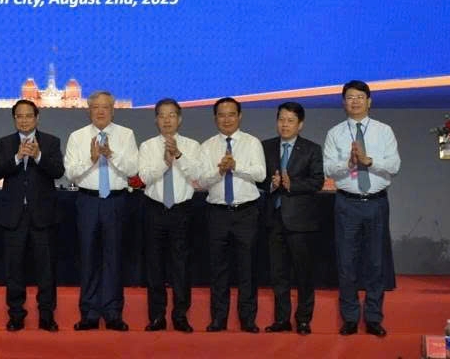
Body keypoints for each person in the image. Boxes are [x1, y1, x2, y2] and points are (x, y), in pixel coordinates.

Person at [323, 80, 400, 337]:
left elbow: (394, 166)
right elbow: (328, 169)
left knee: (376, 263)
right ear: (343, 103)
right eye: (349, 97)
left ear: (369, 101)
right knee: (346, 263)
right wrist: (348, 164)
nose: (354, 101)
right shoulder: (335, 133)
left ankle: (374, 318)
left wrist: (369, 161)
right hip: (347, 203)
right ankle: (350, 318)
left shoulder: (383, 131)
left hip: (376, 202)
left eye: (359, 97)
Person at [63, 90, 139, 331]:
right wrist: (92, 158)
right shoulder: (77, 136)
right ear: (89, 110)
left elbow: (133, 169)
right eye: (95, 107)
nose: (100, 111)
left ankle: (113, 313)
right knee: (88, 258)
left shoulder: (126, 134)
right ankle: (89, 314)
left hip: (115, 202)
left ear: (113, 110)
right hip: (88, 201)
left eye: (105, 107)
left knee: (113, 258)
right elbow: (70, 172)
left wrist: (110, 155)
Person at [0, 99, 64, 332]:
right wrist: (16, 157)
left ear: (37, 118)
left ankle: (46, 316)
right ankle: (16, 315)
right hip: (13, 216)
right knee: (14, 270)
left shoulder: (50, 142)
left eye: (28, 116)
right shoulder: (5, 143)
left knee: (46, 269)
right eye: (19, 116)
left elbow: (58, 171)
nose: (24, 120)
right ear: (14, 119)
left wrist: (39, 156)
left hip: (42, 216)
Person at [137, 97, 206, 333]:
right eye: (162, 116)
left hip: (182, 210)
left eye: (172, 115)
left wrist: (178, 156)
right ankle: (157, 316)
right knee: (154, 265)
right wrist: (165, 163)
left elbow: (197, 175)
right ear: (156, 120)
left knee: (181, 266)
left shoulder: (192, 145)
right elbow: (144, 177)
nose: (167, 120)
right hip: (154, 209)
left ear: (180, 119)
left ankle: (180, 316)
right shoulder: (147, 146)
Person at [198, 96, 266, 333]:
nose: (226, 120)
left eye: (231, 115)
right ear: (215, 118)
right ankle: (218, 318)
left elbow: (260, 174)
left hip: (246, 212)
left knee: (247, 268)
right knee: (218, 269)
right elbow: (202, 181)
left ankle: (248, 319)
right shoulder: (207, 146)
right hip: (217, 213)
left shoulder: (252, 143)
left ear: (240, 116)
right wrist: (220, 171)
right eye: (221, 115)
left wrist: (236, 166)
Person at [260, 101, 325, 335]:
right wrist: (272, 184)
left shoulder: (311, 149)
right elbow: (259, 178)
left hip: (301, 221)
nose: (285, 125)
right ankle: (282, 319)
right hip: (274, 218)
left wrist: (292, 185)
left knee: (303, 273)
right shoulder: (265, 147)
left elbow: (317, 181)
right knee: (278, 274)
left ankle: (304, 320)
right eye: (281, 120)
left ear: (300, 124)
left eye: (290, 121)